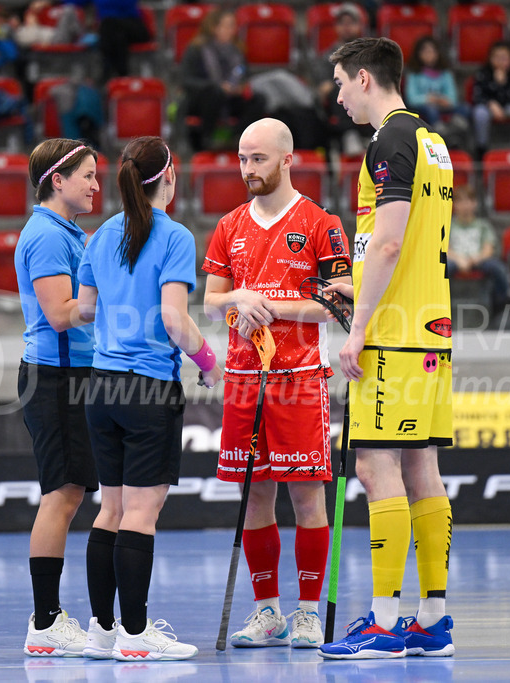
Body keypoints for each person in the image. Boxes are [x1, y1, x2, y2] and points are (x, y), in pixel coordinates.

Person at [319, 37, 456, 660]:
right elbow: (406, 246)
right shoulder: (433, 141)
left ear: (366, 78)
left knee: (376, 471)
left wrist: (358, 324)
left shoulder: (389, 140)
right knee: (422, 469)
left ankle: (383, 623)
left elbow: (391, 242)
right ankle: (431, 620)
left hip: (394, 335)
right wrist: (358, 280)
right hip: (431, 328)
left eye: (343, 83)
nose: (340, 96)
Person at [202, 118, 353, 650]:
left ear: (287, 159)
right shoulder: (229, 225)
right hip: (244, 379)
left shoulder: (320, 223)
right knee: (255, 496)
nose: (249, 169)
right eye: (243, 159)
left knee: (307, 499)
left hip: (299, 378)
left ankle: (308, 613)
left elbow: (340, 300)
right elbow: (210, 300)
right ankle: (267, 612)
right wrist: (238, 301)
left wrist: (271, 308)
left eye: (259, 159)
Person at [76, 136, 224, 661]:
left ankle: (102, 633)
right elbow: (172, 319)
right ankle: (136, 638)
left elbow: (85, 312)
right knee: (141, 512)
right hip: (147, 389)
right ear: (170, 177)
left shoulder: (101, 236)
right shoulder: (175, 237)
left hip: (101, 386)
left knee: (109, 509)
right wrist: (208, 362)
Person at [15, 139, 101, 657]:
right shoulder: (47, 236)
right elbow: (61, 314)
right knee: (63, 494)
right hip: (55, 378)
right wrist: (113, 291)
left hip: (73, 375)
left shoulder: (67, 231)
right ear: (57, 180)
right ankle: (45, 621)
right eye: (87, 176)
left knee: (69, 493)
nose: (95, 185)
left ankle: (49, 618)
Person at [179, 8, 267, 152]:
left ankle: (237, 137)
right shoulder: (197, 49)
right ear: (214, 27)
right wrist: (217, 86)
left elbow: (245, 74)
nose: (231, 30)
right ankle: (207, 139)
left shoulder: (237, 50)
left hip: (231, 97)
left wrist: (240, 87)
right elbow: (187, 81)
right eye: (227, 26)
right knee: (216, 92)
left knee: (259, 99)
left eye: (233, 26)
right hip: (203, 98)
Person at [314, 2, 373, 156]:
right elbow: (323, 87)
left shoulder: (370, 53)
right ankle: (350, 134)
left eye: (351, 22)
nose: (346, 27)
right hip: (341, 101)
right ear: (336, 27)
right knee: (337, 88)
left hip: (366, 94)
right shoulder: (327, 55)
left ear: (359, 25)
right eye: (342, 23)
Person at [448, 184, 510, 323]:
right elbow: (445, 248)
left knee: (497, 268)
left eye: (468, 201)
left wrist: (474, 259)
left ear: (475, 203)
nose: (465, 205)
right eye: (460, 201)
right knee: (441, 268)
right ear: (454, 204)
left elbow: (488, 249)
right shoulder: (448, 225)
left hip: (478, 260)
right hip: (455, 260)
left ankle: (499, 307)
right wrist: (459, 260)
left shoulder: (483, 225)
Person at [402, 35, 470, 144]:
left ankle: (453, 130)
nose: (429, 55)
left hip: (443, 105)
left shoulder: (445, 73)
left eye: (432, 52)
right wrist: (429, 99)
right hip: (425, 106)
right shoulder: (414, 73)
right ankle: (442, 134)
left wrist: (445, 100)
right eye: (425, 52)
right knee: (431, 110)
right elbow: (411, 98)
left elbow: (453, 96)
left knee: (464, 108)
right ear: (418, 54)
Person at [66, 0, 151, 83]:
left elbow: (127, 3)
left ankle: (110, 72)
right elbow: (77, 2)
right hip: (112, 32)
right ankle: (122, 75)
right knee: (115, 33)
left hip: (134, 27)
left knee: (109, 26)